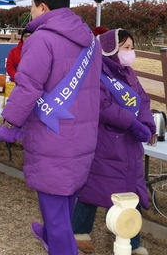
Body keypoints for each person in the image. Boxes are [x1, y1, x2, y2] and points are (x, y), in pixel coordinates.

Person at [0, 0, 102, 255]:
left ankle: (59, 244)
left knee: (55, 210)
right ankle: (49, 236)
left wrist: (10, 124)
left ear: (43, 7)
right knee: (65, 199)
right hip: (83, 134)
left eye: (31, 6)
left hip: (52, 135)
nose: (30, 12)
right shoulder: (90, 40)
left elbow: (28, 87)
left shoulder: (43, 38)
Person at [71, 29, 156, 255]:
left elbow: (143, 100)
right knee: (94, 187)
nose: (131, 53)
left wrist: (147, 124)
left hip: (129, 143)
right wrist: (131, 122)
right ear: (111, 49)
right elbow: (101, 106)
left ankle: (132, 244)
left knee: (132, 192)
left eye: (131, 47)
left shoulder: (129, 73)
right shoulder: (96, 72)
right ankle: (78, 232)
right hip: (106, 141)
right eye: (126, 48)